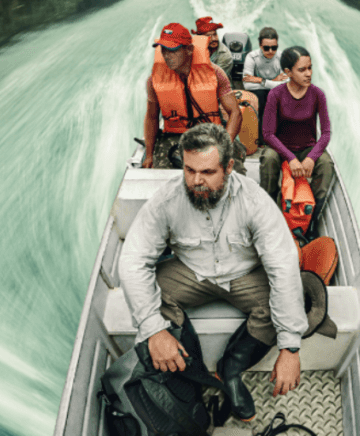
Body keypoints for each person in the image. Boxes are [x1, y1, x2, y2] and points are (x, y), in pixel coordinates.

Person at [119, 123, 307, 422]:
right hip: (191, 272)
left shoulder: (255, 201)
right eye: (190, 170)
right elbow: (132, 261)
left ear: (229, 166)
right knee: (145, 288)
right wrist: (154, 329)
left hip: (244, 275)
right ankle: (185, 368)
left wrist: (291, 348)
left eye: (208, 173)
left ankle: (230, 368)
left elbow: (282, 267)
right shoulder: (166, 201)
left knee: (295, 298)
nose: (196, 181)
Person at [142, 23, 247, 175]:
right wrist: (149, 154)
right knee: (160, 174)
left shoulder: (216, 74)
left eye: (173, 50)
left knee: (232, 169)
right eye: (163, 50)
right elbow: (151, 118)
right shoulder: (153, 81)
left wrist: (225, 144)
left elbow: (235, 113)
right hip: (174, 136)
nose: (167, 55)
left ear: (189, 50)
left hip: (211, 134)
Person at [260, 46, 334, 238]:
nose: (308, 74)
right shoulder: (276, 95)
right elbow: (267, 134)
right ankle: (268, 215)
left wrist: (310, 158)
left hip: (307, 148)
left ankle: (311, 222)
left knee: (326, 164)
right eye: (302, 70)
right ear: (288, 72)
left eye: (310, 68)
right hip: (281, 149)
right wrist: (291, 158)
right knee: (268, 158)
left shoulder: (318, 94)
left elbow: (326, 133)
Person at [242, 27, 289, 137]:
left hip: (275, 93)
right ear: (260, 45)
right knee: (261, 98)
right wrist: (273, 82)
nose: (270, 51)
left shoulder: (282, 57)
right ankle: (261, 138)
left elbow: (286, 85)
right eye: (266, 48)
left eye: (274, 47)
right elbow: (247, 85)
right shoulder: (252, 57)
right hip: (259, 93)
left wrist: (260, 80)